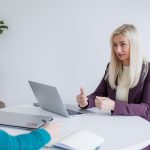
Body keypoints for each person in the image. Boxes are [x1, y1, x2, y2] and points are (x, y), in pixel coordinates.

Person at [76, 24, 150, 122]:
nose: (118, 50)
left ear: (134, 45)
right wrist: (86, 101)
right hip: (115, 123)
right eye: (115, 44)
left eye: (123, 44)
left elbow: (147, 109)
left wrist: (114, 105)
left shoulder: (147, 70)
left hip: (139, 126)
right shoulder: (111, 67)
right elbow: (99, 94)